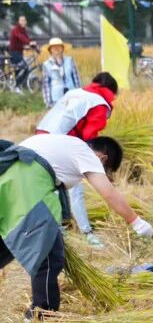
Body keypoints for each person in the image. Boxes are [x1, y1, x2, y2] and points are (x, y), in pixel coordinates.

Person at [0, 134, 153, 320]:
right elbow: (108, 193)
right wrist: (136, 222)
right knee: (48, 252)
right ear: (103, 158)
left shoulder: (68, 144)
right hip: (28, 184)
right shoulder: (87, 155)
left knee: (9, 237)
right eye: (106, 171)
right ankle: (42, 314)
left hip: (7, 178)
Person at [35, 72, 119, 249]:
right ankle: (87, 234)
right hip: (59, 141)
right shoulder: (100, 103)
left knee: (52, 186)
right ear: (112, 91)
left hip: (40, 136)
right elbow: (89, 136)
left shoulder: (77, 92)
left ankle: (59, 230)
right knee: (75, 188)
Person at [41, 38, 81, 108]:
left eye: (59, 46)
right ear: (50, 50)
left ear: (62, 48)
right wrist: (48, 102)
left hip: (72, 96)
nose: (56, 48)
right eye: (53, 47)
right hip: (56, 98)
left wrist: (79, 95)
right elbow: (46, 84)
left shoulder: (70, 60)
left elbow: (76, 79)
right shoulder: (46, 64)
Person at [8, 15, 37, 90]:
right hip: (14, 53)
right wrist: (29, 43)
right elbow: (21, 37)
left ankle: (17, 87)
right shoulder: (16, 30)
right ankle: (16, 86)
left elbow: (27, 39)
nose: (23, 22)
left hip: (19, 52)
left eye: (24, 20)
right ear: (19, 21)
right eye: (21, 20)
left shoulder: (24, 30)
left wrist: (35, 47)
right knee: (25, 68)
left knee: (19, 70)